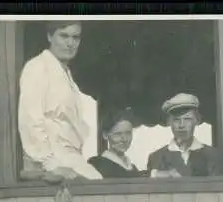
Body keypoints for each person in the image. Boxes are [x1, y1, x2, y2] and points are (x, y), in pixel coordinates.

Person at [18, 20, 103, 181]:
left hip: (70, 156)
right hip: (52, 159)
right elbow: (30, 119)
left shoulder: (66, 75)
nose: (70, 43)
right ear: (50, 36)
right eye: (64, 36)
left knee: (98, 184)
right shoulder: (37, 67)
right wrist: (51, 165)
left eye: (75, 37)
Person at [147, 93, 222, 178]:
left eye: (187, 119)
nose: (182, 125)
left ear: (197, 121)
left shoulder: (212, 155)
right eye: (176, 120)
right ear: (169, 123)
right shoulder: (156, 158)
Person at [88, 107, 144, 178]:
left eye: (128, 133)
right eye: (118, 134)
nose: (124, 139)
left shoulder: (133, 168)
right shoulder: (98, 165)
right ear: (105, 135)